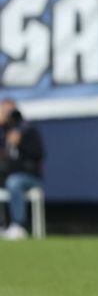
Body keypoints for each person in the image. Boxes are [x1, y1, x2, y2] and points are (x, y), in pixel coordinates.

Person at [0, 100, 45, 240]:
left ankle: (18, 226)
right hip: (6, 175)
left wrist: (21, 143)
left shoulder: (28, 130)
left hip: (29, 177)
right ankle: (4, 225)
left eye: (6, 111)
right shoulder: (3, 133)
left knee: (14, 182)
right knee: (10, 180)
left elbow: (39, 155)